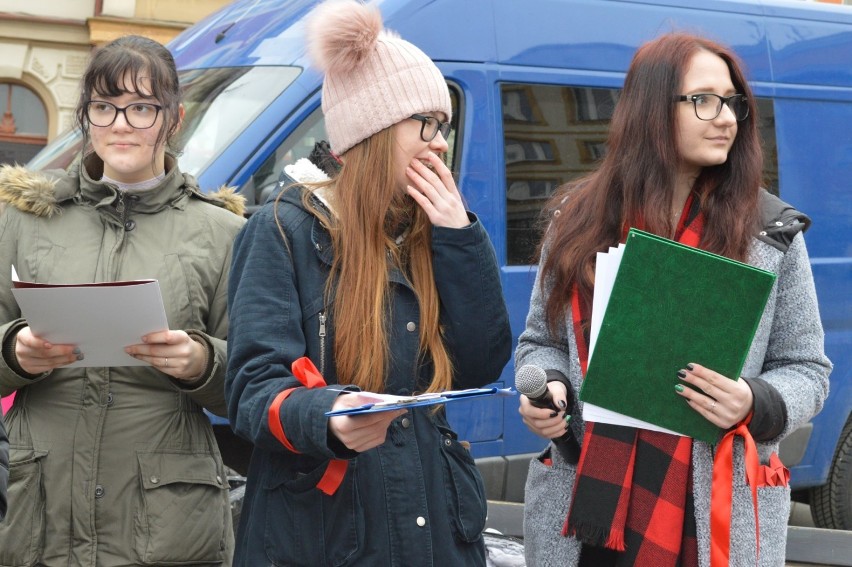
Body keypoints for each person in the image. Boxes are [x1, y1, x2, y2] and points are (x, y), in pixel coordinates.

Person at [516, 32, 831, 567]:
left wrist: (755, 401)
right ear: (650, 110)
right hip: (588, 500)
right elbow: (538, 344)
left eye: (733, 102)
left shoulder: (769, 231)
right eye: (703, 100)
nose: (727, 117)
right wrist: (549, 390)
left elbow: (808, 369)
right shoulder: (580, 219)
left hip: (709, 512)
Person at [225, 1, 512, 565]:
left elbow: (482, 362)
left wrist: (461, 239)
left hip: (434, 522)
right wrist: (328, 417)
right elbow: (252, 390)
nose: (441, 142)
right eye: (426, 124)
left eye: (445, 126)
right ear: (375, 129)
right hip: (327, 529)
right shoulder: (282, 229)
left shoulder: (435, 234)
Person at [0, 35, 244, 565]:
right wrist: (13, 352)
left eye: (141, 107)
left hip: (165, 516)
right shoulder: (22, 220)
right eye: (104, 106)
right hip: (38, 503)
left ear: (173, 118)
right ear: (86, 115)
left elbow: (256, 382)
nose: (120, 124)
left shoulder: (221, 231)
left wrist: (202, 362)